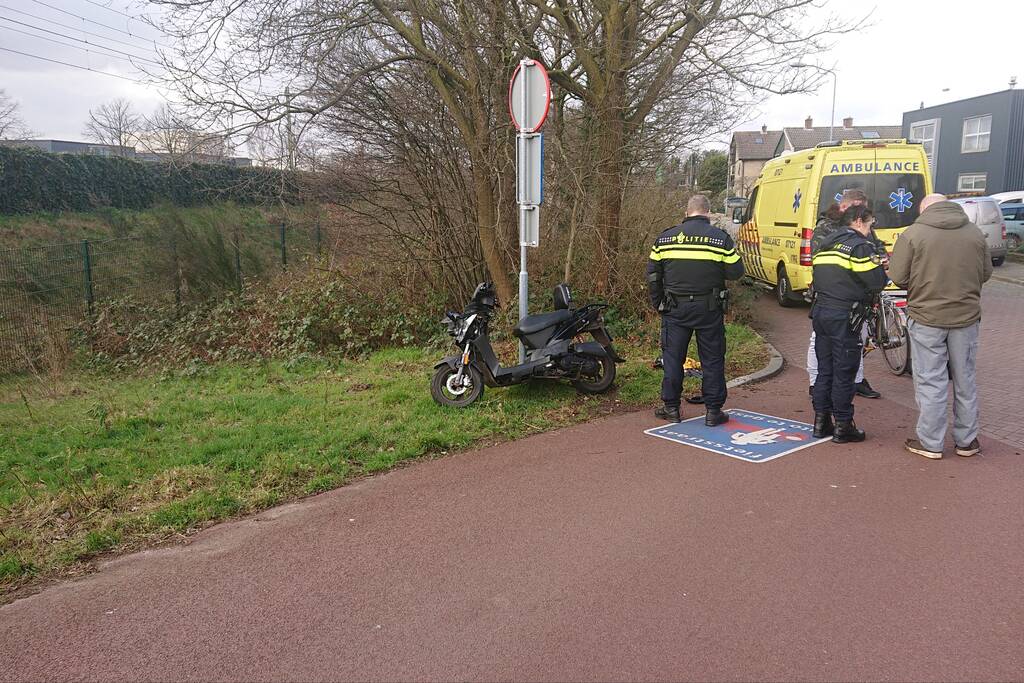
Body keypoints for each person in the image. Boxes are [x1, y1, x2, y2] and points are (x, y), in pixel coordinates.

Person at [888, 193, 992, 459]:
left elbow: (898, 277)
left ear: (924, 209)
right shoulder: (975, 233)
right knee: (964, 378)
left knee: (930, 381)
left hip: (926, 317)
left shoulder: (913, 234)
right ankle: (967, 441)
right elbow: (986, 274)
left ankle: (931, 442)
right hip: (966, 318)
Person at [647, 194, 744, 424]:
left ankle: (671, 408)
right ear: (708, 213)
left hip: (675, 308)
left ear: (686, 212)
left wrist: (658, 302)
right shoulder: (719, 239)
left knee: (672, 358)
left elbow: (653, 275)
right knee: (712, 359)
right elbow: (736, 272)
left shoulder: (665, 239)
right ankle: (712, 411)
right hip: (708, 308)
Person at [809, 205, 888, 443]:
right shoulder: (859, 248)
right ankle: (844, 425)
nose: (870, 228)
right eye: (869, 223)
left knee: (825, 369)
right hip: (845, 316)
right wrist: (881, 269)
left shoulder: (825, 245)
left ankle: (821, 422)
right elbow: (876, 282)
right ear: (857, 221)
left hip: (821, 313)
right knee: (844, 371)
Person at [805, 188, 883, 399]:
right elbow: (818, 257)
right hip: (833, 293)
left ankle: (856, 380)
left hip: (858, 294)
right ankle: (817, 383)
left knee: (858, 338)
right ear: (843, 206)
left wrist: (879, 259)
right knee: (821, 343)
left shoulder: (862, 228)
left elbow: (875, 247)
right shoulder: (825, 227)